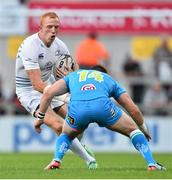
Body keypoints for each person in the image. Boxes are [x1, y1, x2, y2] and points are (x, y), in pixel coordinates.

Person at [35, 65, 166, 171]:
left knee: (66, 135)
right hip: (103, 108)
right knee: (134, 131)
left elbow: (48, 93)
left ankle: (56, 160)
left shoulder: (74, 75)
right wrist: (143, 128)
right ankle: (152, 164)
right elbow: (133, 109)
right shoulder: (108, 78)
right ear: (104, 73)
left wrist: (40, 117)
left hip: (78, 110)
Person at [15, 12, 97, 169]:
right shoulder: (30, 46)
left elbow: (74, 71)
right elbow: (37, 84)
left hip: (50, 85)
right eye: (49, 27)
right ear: (40, 28)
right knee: (59, 126)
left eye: (56, 27)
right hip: (29, 91)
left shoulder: (60, 46)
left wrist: (80, 88)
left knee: (79, 118)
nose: (53, 30)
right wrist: (58, 90)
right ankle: (89, 160)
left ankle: (80, 144)